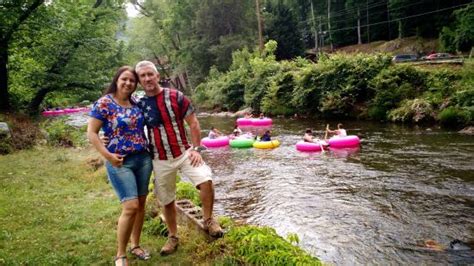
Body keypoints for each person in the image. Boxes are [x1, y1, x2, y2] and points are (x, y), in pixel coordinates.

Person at [135, 60, 223, 256]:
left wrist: (196, 149)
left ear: (157, 76)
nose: (148, 78)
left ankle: (208, 220)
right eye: (143, 76)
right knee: (166, 199)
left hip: (184, 153)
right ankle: (173, 236)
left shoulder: (176, 96)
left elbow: (193, 123)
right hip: (159, 158)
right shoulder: (139, 105)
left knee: (206, 180)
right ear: (140, 81)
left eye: (151, 74)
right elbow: (127, 126)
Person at [87, 66, 152, 266]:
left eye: (132, 81)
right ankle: (120, 254)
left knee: (141, 205)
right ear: (117, 80)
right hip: (120, 161)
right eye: (124, 79)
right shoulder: (104, 103)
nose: (128, 83)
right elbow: (92, 133)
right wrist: (108, 155)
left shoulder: (137, 103)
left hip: (143, 159)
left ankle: (136, 245)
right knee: (130, 206)